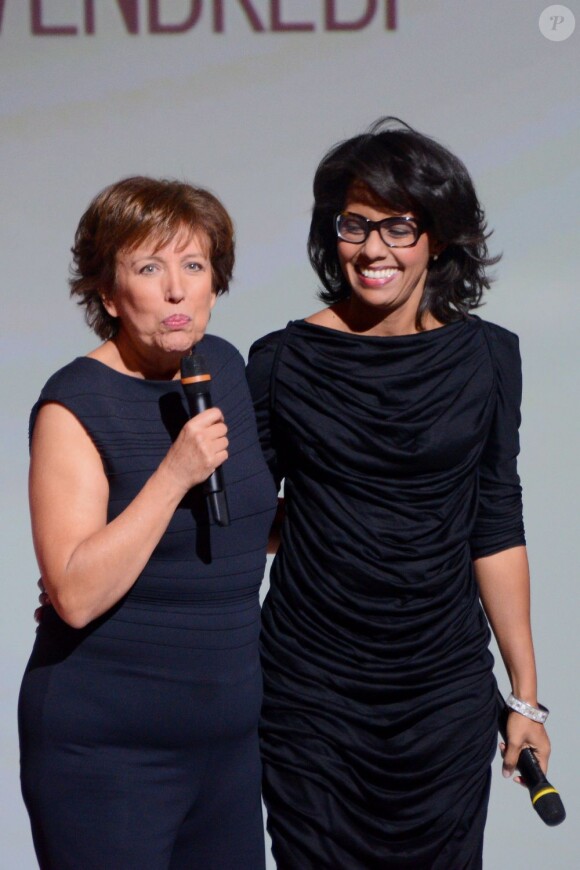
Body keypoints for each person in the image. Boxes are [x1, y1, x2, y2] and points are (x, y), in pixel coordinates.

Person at [246, 118, 552, 869]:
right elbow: (245, 522)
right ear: (331, 232)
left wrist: (524, 699)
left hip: (441, 692)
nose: (373, 249)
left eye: (398, 227)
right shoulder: (281, 362)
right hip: (309, 688)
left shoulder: (488, 359)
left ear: (439, 238)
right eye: (354, 224)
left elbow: (495, 523)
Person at [19, 176, 277, 869]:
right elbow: (73, 593)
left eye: (194, 266)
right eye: (149, 267)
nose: (176, 291)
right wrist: (172, 476)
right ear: (108, 294)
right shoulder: (72, 406)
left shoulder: (220, 367)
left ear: (215, 285)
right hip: (106, 754)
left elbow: (244, 525)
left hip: (227, 748)